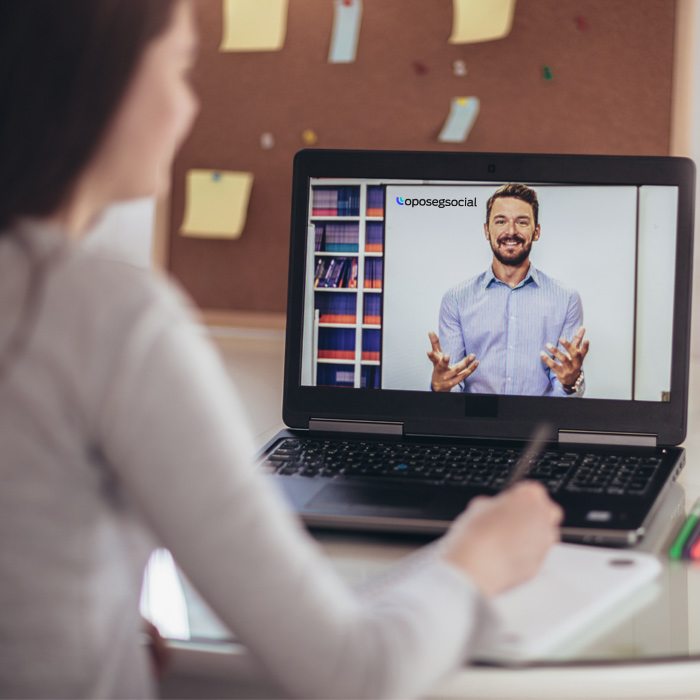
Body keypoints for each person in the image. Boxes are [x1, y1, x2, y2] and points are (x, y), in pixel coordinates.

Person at [0, 2, 563, 698]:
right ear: (98, 81)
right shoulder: (109, 316)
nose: (189, 104)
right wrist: (479, 556)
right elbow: (355, 673)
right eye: (179, 68)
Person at [428, 183, 590, 397]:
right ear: (487, 230)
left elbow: (563, 383)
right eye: (501, 221)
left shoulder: (567, 298)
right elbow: (452, 380)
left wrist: (571, 383)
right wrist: (441, 387)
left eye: (522, 222)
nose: (511, 231)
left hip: (539, 425)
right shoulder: (456, 299)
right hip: (474, 425)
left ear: (537, 231)